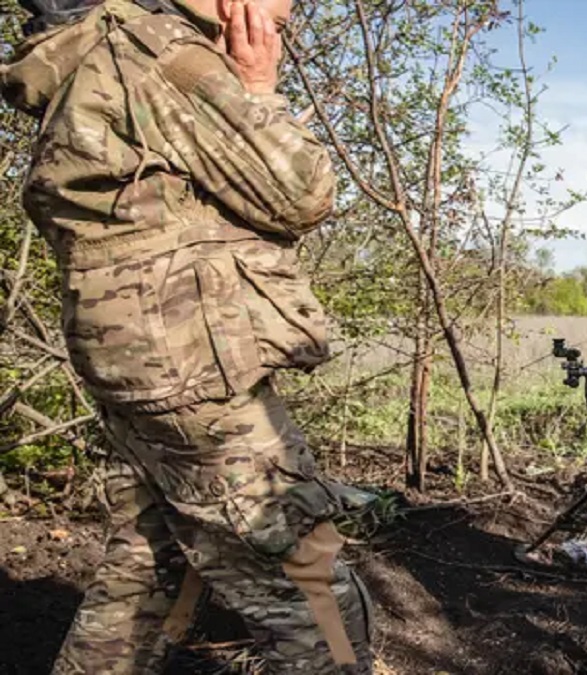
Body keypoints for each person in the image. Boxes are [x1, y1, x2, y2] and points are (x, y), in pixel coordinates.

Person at [1, 0, 375, 672]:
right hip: (189, 360)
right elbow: (300, 189)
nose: (287, 8)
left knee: (151, 566)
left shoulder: (93, 52)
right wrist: (259, 88)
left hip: (133, 349)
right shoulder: (164, 56)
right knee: (308, 581)